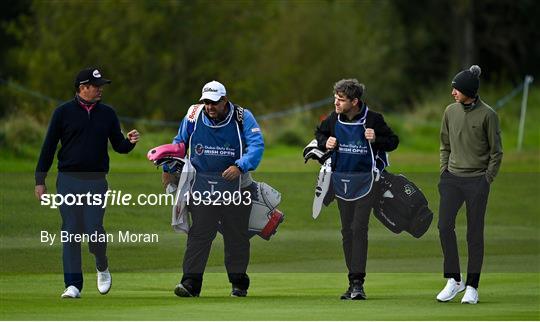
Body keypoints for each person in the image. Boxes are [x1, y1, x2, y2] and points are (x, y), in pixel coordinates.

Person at [34, 67, 140, 298]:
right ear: (83, 88)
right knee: (70, 231)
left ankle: (102, 265)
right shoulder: (62, 113)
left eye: (101, 85)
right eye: (96, 85)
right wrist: (40, 180)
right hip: (68, 181)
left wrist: (129, 142)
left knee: (94, 230)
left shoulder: (108, 114)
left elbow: (118, 146)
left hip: (96, 182)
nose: (101, 89)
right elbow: (49, 147)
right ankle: (73, 285)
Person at [163, 80, 264, 297]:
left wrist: (240, 166)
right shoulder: (193, 114)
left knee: (236, 236)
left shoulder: (242, 117)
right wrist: (168, 166)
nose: (209, 107)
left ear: (224, 100)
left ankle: (238, 283)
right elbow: (180, 143)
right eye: (206, 102)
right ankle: (190, 283)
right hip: (201, 185)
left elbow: (256, 146)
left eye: (214, 103)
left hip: (237, 186)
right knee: (199, 233)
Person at [315, 79, 399, 300]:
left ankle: (358, 282)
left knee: (359, 228)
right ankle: (352, 282)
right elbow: (319, 134)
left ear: (355, 101)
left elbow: (393, 142)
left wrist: (376, 139)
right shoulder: (333, 119)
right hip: (342, 182)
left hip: (367, 182)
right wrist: (326, 142)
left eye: (341, 100)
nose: (336, 103)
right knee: (347, 232)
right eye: (335, 98)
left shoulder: (373, 119)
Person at [436, 65, 503, 304]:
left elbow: (496, 152)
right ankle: (454, 280)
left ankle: (473, 286)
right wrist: (444, 171)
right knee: (444, 226)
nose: (453, 92)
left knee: (474, 234)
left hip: (477, 180)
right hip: (452, 178)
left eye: (457, 89)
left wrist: (487, 179)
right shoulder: (449, 111)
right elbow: (445, 144)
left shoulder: (488, 115)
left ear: (468, 91)